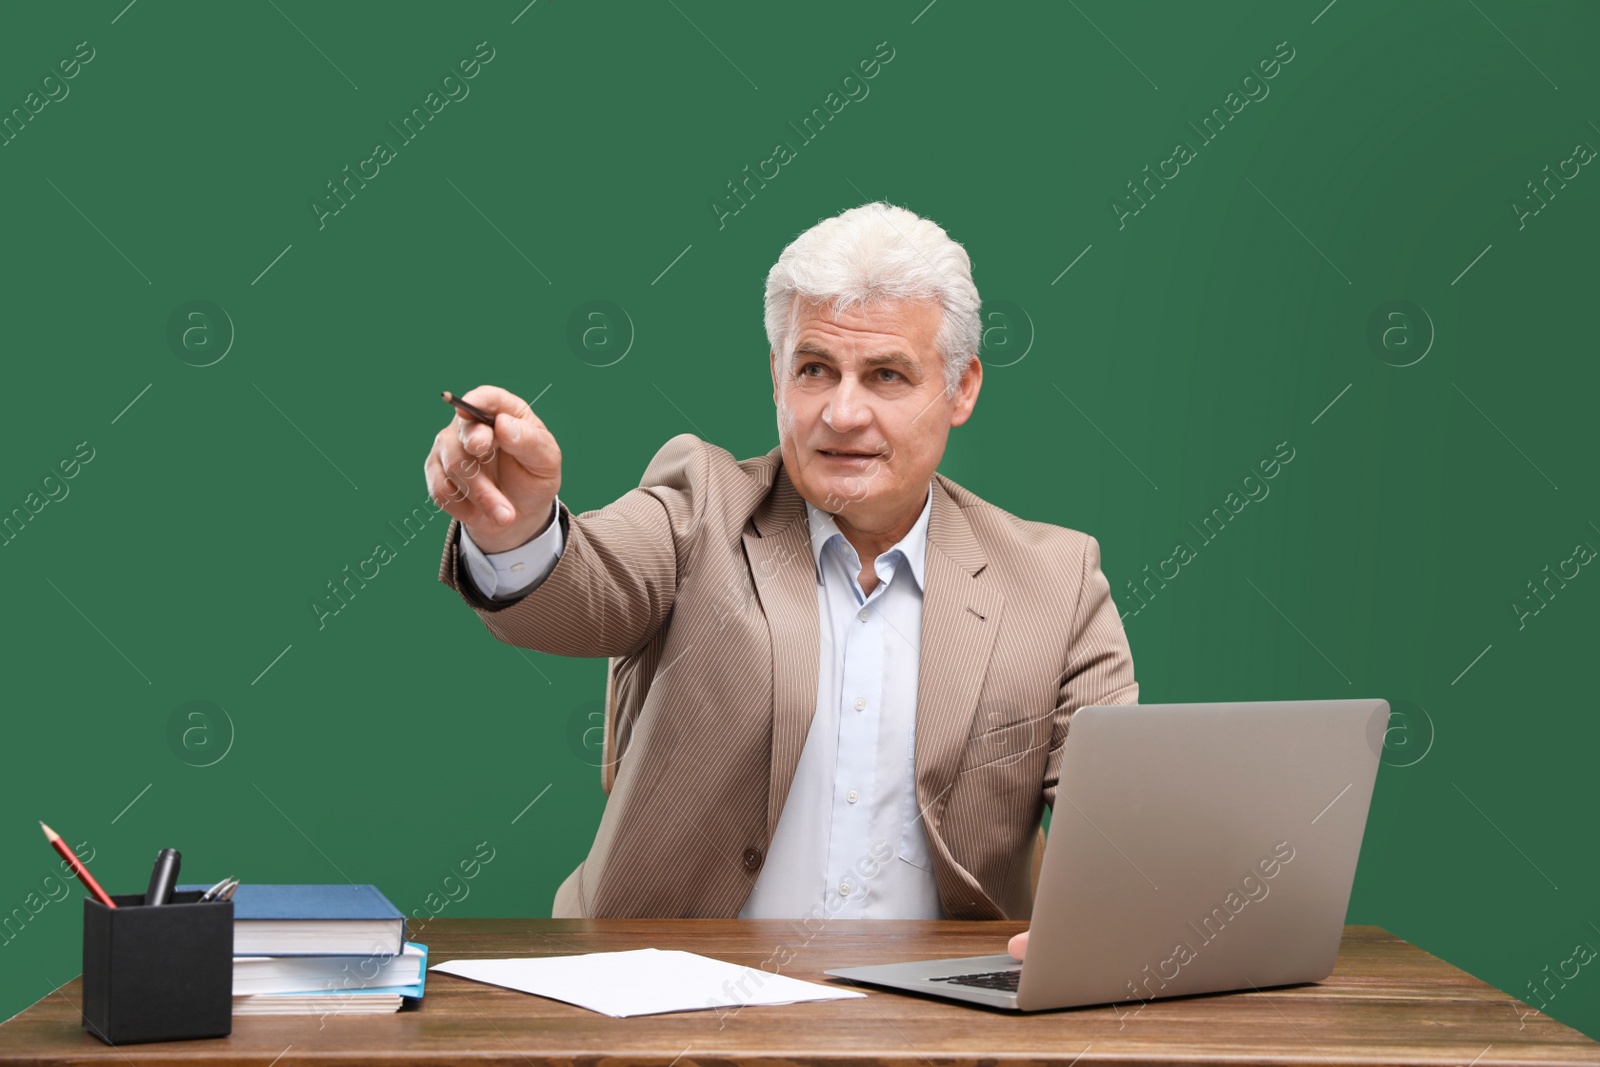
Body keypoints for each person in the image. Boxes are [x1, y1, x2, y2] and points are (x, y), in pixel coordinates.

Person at [424, 202, 1139, 938]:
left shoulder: (1056, 583)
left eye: (888, 375)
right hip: (679, 1013)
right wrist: (519, 528)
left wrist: (1099, 925)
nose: (842, 412)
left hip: (945, 1028)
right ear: (776, 374)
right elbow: (581, 590)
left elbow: (1123, 826)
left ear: (961, 389)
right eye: (815, 370)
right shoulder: (699, 508)